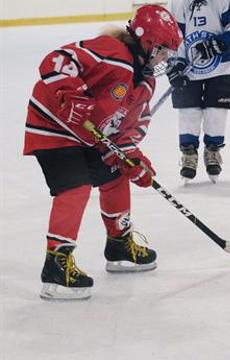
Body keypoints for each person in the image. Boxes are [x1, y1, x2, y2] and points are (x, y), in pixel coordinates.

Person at [23, 5, 182, 300]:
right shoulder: (110, 51)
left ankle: (119, 245)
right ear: (145, 42)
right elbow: (57, 61)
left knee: (117, 176)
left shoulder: (146, 82)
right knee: (76, 187)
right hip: (54, 127)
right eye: (162, 50)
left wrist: (130, 157)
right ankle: (57, 265)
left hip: (90, 137)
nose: (164, 58)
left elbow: (123, 129)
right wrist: (70, 95)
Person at [167, 0, 230, 183]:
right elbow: (172, 38)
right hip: (188, 71)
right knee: (188, 112)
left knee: (216, 113)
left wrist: (217, 44)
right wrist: (175, 64)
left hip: (221, 69)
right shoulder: (176, 4)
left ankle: (213, 150)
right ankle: (188, 153)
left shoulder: (222, 2)